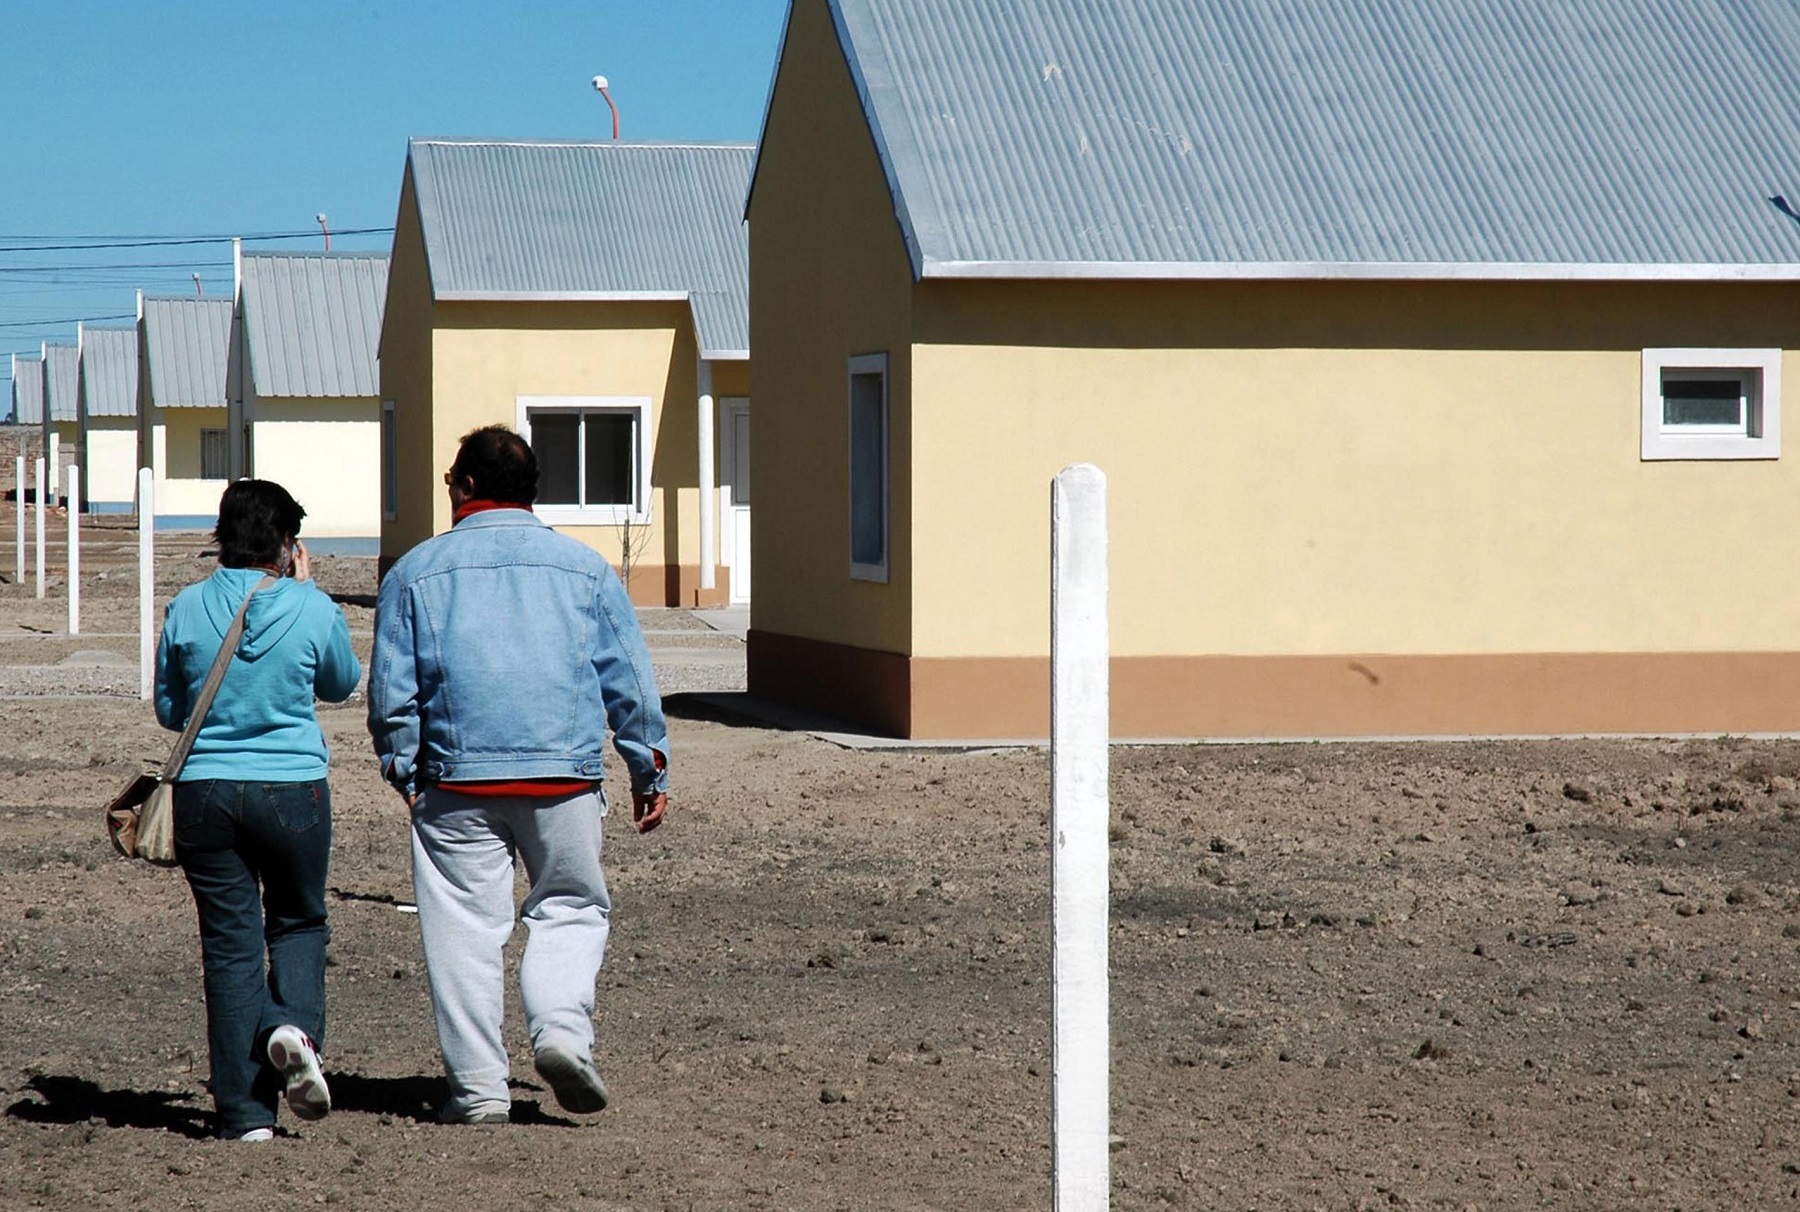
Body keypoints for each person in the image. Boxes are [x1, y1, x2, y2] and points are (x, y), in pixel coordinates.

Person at [367, 425, 669, 1126]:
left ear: (466, 486)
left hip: (454, 782)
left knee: (464, 930)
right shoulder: (585, 569)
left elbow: (391, 693)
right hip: (563, 777)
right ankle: (562, 1032)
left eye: (450, 481)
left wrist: (404, 768)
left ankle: (478, 1093)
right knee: (570, 909)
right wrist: (647, 769)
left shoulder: (414, 572)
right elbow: (629, 680)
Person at [155, 479, 361, 1141]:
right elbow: (339, 683)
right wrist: (304, 588)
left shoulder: (186, 606)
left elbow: (168, 710)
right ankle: (292, 1026)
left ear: (223, 534)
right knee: (298, 920)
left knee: (230, 946)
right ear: (285, 541)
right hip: (293, 788)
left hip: (205, 793)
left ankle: (245, 1116)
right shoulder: (312, 605)